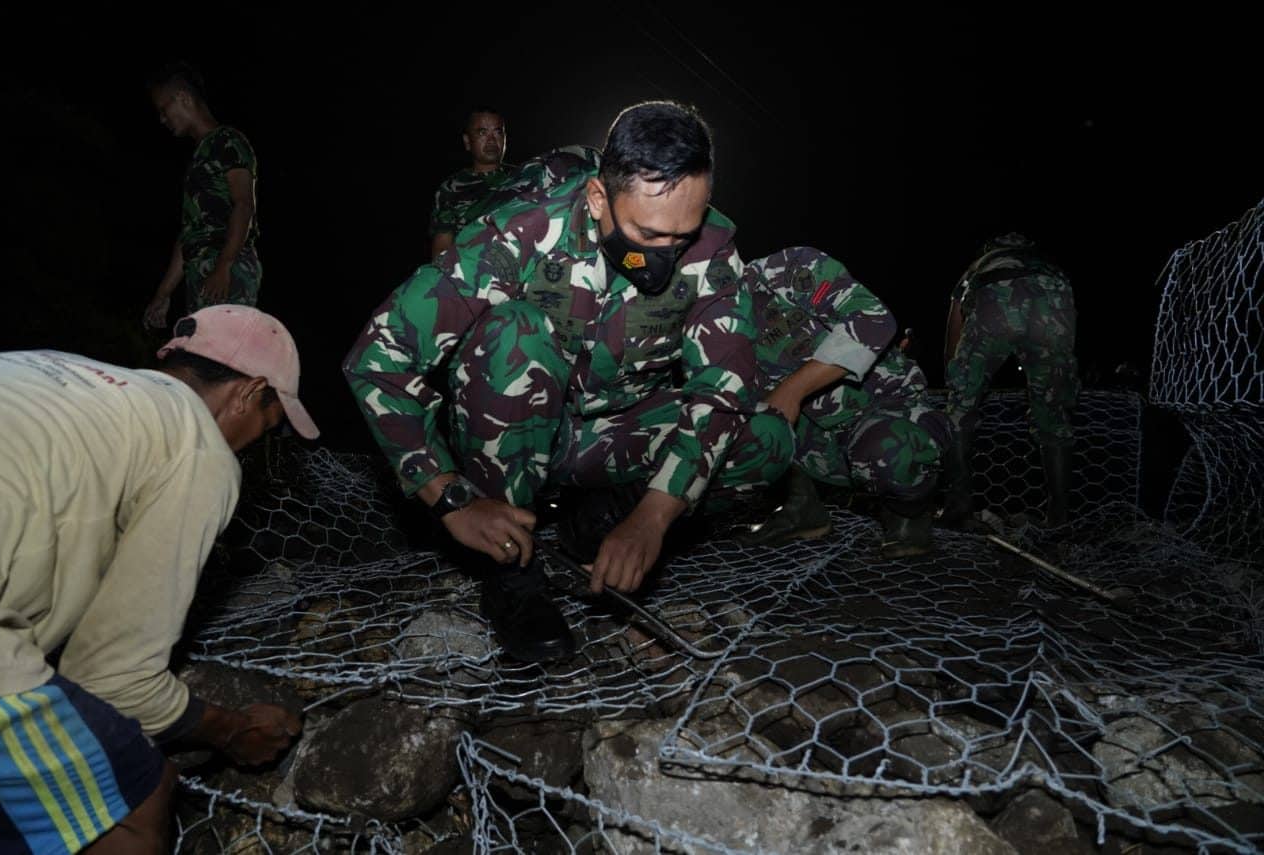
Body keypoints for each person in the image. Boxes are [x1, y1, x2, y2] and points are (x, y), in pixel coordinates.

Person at [345, 101, 792, 663]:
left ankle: (599, 526)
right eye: (647, 235)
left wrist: (654, 516)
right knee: (513, 330)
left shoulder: (713, 250)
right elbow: (378, 355)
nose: (664, 259)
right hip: (515, 435)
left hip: (616, 437)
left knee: (766, 440)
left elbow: (721, 391)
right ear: (599, 198)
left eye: (681, 238)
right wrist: (449, 496)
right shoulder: (523, 230)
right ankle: (511, 573)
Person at [0, 305, 318, 853]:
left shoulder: (64, 376)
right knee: (135, 796)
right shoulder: (197, 448)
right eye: (268, 422)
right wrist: (230, 729)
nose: (257, 442)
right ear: (247, 392)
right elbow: (111, 678)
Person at [739, 247, 951, 558]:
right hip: (817, 440)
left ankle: (910, 514)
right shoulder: (705, 324)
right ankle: (802, 509)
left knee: (891, 450)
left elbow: (873, 321)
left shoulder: (783, 270)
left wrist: (791, 391)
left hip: (884, 407)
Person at [941, 232, 1078, 526]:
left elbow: (955, 323)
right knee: (1053, 411)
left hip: (995, 294)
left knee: (959, 411)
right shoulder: (1045, 264)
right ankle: (1059, 517)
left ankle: (959, 507)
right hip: (1055, 295)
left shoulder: (980, 265)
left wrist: (955, 380)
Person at [144, 62, 261, 329]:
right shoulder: (198, 159)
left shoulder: (227, 140)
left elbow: (243, 204)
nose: (162, 119)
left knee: (223, 358)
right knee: (201, 358)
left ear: (183, 98)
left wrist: (224, 266)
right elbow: (189, 234)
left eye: (164, 110)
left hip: (226, 269)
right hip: (201, 274)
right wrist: (163, 295)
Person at [428, 107, 513, 259]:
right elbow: (442, 249)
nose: (492, 140)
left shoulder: (526, 176)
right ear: (467, 141)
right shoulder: (451, 189)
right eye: (482, 132)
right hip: (474, 274)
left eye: (498, 132)